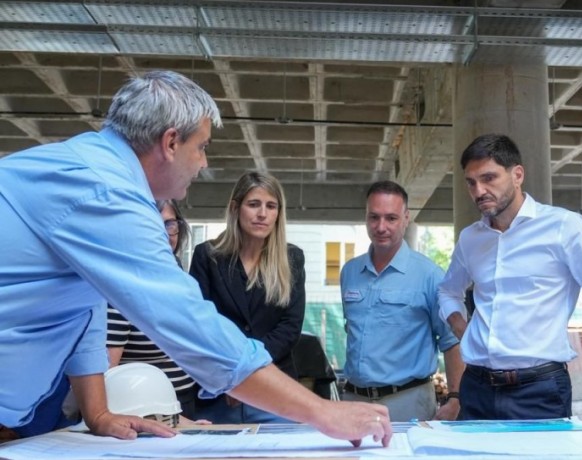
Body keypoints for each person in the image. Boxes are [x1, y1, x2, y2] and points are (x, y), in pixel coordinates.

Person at [0, 70, 391, 445]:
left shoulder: (91, 170)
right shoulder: (105, 193)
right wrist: (323, 412)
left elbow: (83, 307)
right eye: (201, 147)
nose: (204, 163)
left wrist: (98, 413)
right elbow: (187, 321)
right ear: (171, 142)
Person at [438, 134, 582, 421]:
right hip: (477, 388)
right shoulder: (471, 239)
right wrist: (463, 329)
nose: (479, 190)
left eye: (489, 178)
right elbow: (447, 291)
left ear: (517, 174)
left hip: (540, 391)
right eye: (471, 182)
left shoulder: (563, 227)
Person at [340, 181, 465, 421]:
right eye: (373, 217)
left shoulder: (431, 275)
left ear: (406, 219)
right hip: (354, 402)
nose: (381, 226)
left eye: (391, 218)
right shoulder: (350, 272)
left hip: (408, 403)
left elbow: (451, 342)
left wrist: (456, 398)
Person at [189, 171, 306, 424]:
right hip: (218, 391)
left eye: (271, 206)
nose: (262, 213)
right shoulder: (207, 256)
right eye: (254, 204)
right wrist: (233, 378)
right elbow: (202, 324)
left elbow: (289, 328)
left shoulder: (292, 259)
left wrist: (248, 377)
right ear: (235, 208)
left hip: (276, 391)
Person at [107, 200, 201, 420]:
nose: (164, 233)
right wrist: (176, 421)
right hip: (144, 410)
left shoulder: (181, 278)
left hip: (184, 400)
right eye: (152, 224)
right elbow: (105, 376)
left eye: (170, 224)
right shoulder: (124, 285)